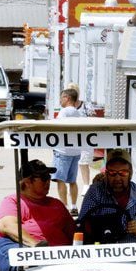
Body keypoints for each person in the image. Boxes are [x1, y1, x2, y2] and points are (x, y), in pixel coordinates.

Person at [0, 159, 75, 271]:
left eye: (48, 177)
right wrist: (36, 247)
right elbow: (6, 225)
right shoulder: (13, 201)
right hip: (26, 251)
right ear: (27, 182)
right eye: (43, 178)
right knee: (19, 256)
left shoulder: (56, 204)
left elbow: (75, 234)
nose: (48, 181)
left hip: (60, 258)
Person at [53, 88, 82, 216]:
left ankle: (64, 207)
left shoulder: (63, 112)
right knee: (72, 180)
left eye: (61, 97)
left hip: (62, 150)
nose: (60, 100)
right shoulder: (78, 113)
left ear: (67, 98)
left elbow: (58, 128)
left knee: (61, 180)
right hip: (75, 151)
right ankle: (74, 206)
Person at [66, 82, 94, 192]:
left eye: (73, 91)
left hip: (85, 138)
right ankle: (71, 184)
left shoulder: (86, 105)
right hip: (71, 138)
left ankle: (86, 185)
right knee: (70, 161)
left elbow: (93, 119)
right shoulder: (66, 107)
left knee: (84, 162)